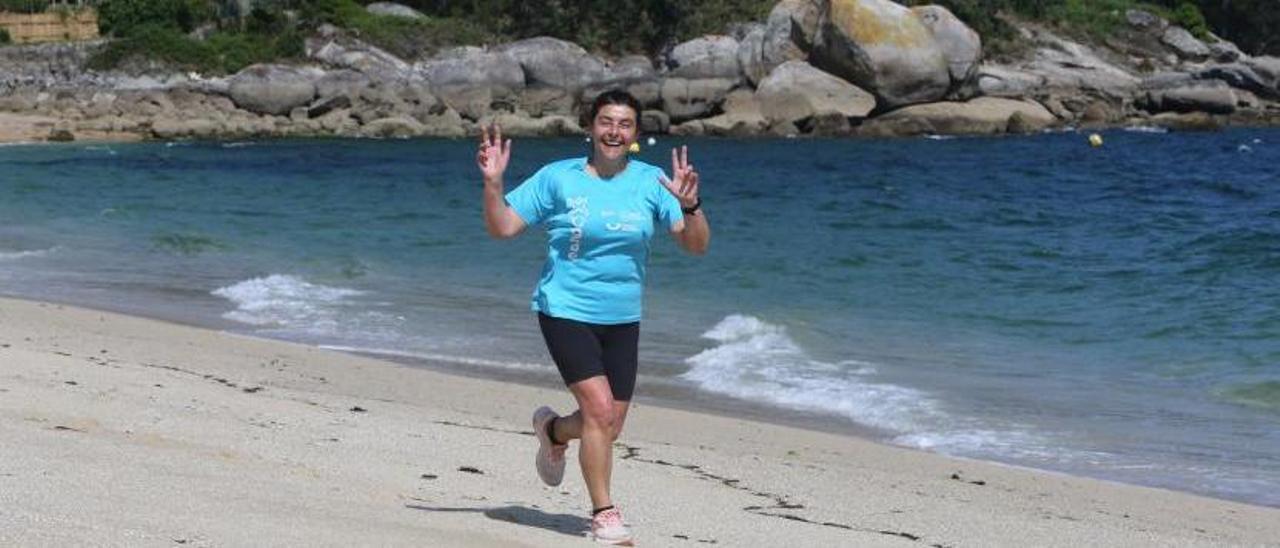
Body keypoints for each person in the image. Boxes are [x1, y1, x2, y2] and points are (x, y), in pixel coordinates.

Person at [477, 89, 710, 545]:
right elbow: (502, 227)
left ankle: (552, 431)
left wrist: (690, 205)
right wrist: (492, 184)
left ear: (636, 134)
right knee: (600, 412)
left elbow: (695, 244)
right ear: (591, 126)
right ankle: (604, 513)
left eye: (625, 125)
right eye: (606, 122)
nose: (614, 132)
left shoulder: (652, 181)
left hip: (623, 318)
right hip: (564, 309)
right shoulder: (558, 178)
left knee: (606, 424)